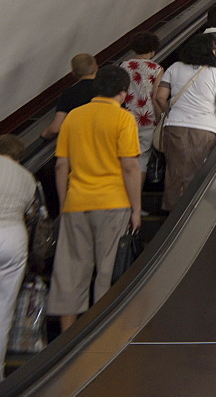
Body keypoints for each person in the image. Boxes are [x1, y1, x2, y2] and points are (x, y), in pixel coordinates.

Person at [49, 65, 142, 332]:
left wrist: (65, 202)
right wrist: (136, 209)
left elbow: (60, 166)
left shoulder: (74, 118)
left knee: (70, 273)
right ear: (123, 93)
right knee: (106, 273)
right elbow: (129, 166)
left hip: (76, 203)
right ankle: (101, 339)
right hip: (113, 203)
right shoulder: (124, 119)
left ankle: (68, 340)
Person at [153, 34, 216, 213]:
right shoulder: (215, 74)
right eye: (214, 48)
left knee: (174, 170)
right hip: (203, 129)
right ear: (208, 52)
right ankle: (190, 213)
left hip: (174, 126)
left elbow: (160, 97)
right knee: (197, 171)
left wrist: (170, 113)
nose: (215, 51)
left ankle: (171, 212)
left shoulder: (174, 68)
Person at [0, 134, 35, 374]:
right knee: (4, 308)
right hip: (14, 237)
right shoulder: (27, 177)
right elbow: (31, 210)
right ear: (18, 155)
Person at [119, 32, 164, 175]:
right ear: (152, 50)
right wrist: (159, 119)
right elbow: (157, 96)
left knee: (124, 156)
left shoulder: (123, 66)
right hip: (147, 118)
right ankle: (136, 193)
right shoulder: (157, 69)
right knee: (142, 159)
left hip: (125, 117)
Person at [41, 54, 98, 140]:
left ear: (73, 73)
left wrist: (45, 134)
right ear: (96, 67)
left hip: (82, 140)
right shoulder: (107, 87)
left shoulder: (68, 93)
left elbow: (55, 128)